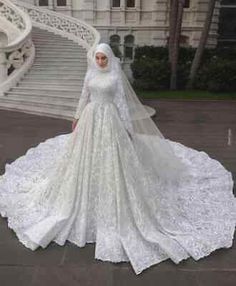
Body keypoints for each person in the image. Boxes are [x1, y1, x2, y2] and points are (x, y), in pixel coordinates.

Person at [0, 43, 235, 275]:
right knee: (81, 161)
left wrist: (128, 129)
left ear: (110, 58)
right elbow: (84, 96)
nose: (101, 61)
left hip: (110, 120)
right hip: (91, 121)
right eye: (98, 58)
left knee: (116, 162)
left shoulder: (114, 76)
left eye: (104, 58)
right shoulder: (90, 74)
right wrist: (77, 117)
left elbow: (121, 103)